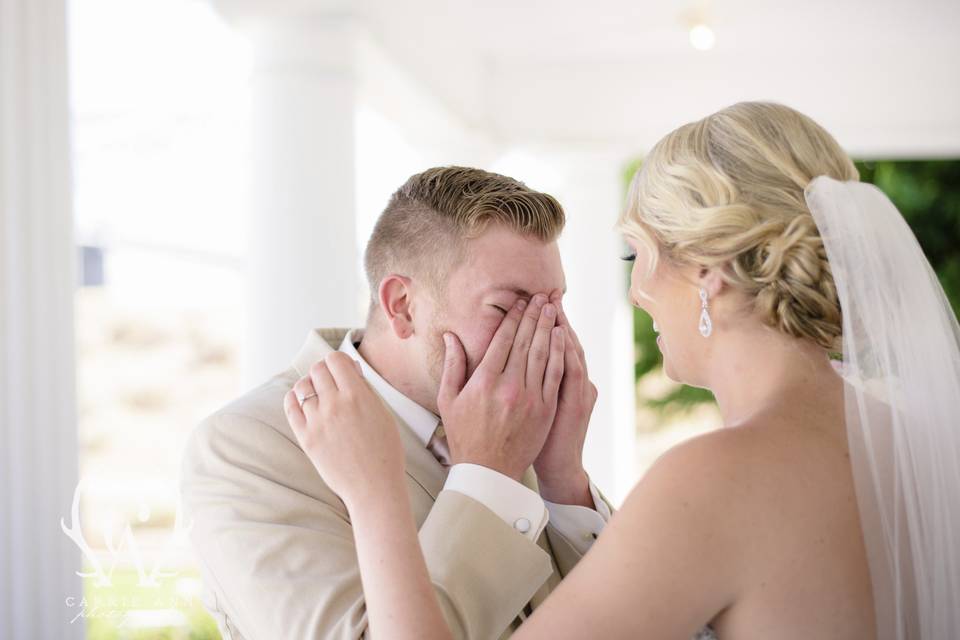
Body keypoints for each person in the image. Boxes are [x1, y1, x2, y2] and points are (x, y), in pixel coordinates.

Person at [286, 102, 960, 639]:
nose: (636, 292)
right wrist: (564, 483)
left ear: (708, 272)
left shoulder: (713, 481)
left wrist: (374, 497)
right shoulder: (918, 449)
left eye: (637, 253)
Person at [181, 167, 615, 640]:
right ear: (403, 306)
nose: (543, 335)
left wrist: (563, 481)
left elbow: (621, 620)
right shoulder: (245, 448)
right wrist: (487, 477)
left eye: (553, 307)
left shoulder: (516, 418)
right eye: (509, 307)